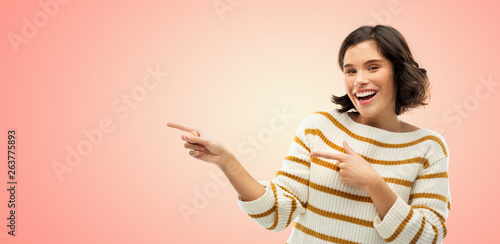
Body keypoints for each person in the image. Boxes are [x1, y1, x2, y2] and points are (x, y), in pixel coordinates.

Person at [167, 25, 450, 244]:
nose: (359, 79)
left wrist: (374, 183)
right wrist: (225, 161)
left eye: (373, 67)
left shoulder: (428, 147)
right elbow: (276, 215)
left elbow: (429, 236)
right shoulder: (319, 127)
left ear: (398, 72)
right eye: (350, 70)